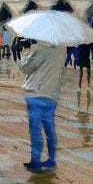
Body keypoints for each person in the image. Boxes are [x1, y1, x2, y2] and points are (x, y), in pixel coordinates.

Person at [19, 42, 65, 172]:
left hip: (36, 94)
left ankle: (35, 160)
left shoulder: (40, 50)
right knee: (49, 128)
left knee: (35, 129)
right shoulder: (62, 51)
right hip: (52, 95)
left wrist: (26, 55)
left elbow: (26, 68)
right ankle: (51, 159)